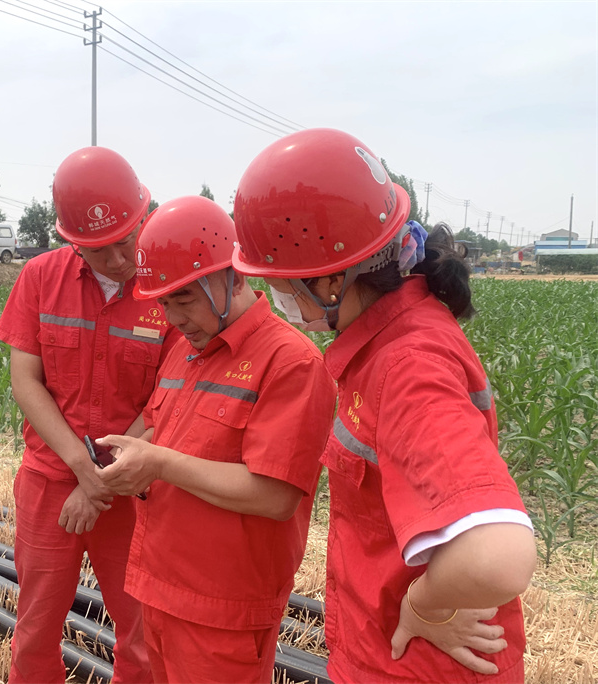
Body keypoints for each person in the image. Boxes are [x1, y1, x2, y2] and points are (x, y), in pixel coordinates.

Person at [231, 127, 538, 684]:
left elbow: (498, 555)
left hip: (415, 667)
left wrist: (422, 605)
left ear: (330, 282)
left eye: (280, 284)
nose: (275, 299)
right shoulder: (389, 341)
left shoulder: (404, 366)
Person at [94, 194, 337, 684]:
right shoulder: (184, 350)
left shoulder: (290, 363)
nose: (174, 318)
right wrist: (128, 456)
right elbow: (162, 428)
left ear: (235, 277)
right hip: (158, 585)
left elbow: (275, 495)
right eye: (163, 303)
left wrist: (158, 462)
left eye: (184, 298)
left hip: (222, 609)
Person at [0, 146, 180, 683]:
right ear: (74, 243)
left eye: (128, 240)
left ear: (144, 217)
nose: (121, 260)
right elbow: (26, 381)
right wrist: (81, 468)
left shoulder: (169, 290)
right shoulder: (39, 278)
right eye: (101, 251)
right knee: (35, 627)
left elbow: (166, 399)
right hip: (50, 481)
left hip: (133, 486)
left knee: (141, 632)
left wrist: (101, 480)